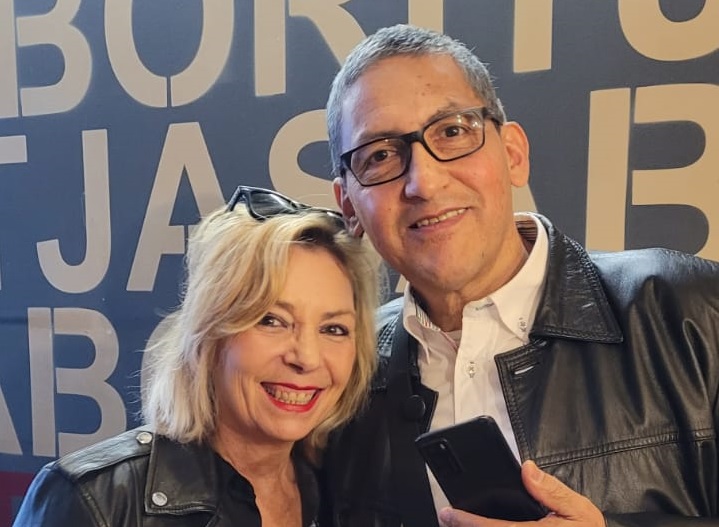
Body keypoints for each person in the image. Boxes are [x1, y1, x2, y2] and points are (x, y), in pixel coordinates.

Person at [320, 23, 719, 527]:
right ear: (348, 206)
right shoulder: (343, 372)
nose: (424, 182)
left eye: (452, 131)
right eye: (379, 156)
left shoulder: (692, 312)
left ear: (513, 154)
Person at [12, 186, 381, 527]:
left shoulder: (350, 489)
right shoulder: (93, 501)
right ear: (210, 333)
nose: (307, 358)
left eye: (334, 329)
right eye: (271, 320)